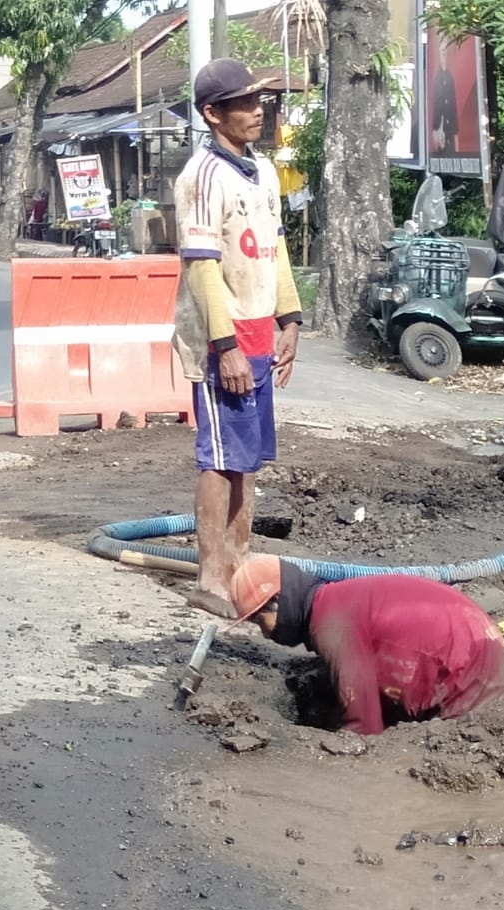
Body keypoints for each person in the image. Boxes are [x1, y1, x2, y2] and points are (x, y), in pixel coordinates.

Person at [173, 58, 302, 619]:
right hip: (219, 337)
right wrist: (224, 347)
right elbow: (203, 269)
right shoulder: (200, 177)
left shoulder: (263, 171)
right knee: (221, 458)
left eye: (260, 103)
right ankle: (211, 576)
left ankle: (240, 563)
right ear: (212, 113)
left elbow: (275, 249)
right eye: (245, 105)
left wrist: (290, 319)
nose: (257, 113)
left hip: (258, 330)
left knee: (246, 458)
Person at [229, 555, 504, 735]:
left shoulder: (330, 624)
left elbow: (363, 723)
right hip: (486, 659)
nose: (265, 634)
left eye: (259, 621)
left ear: (278, 601)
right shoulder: (337, 601)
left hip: (476, 686)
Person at [431, 35, 459, 156]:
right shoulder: (437, 77)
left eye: (446, 49)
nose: (444, 52)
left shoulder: (449, 76)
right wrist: (437, 129)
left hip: (450, 129)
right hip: (440, 130)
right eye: (442, 49)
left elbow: (453, 106)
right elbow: (437, 104)